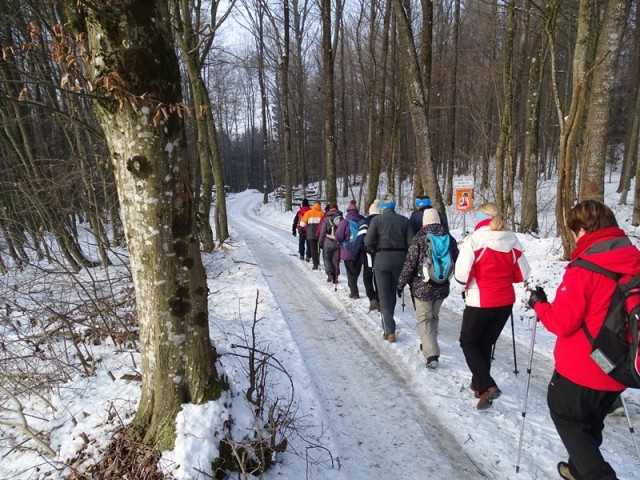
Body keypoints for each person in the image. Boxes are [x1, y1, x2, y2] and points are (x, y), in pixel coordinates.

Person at [528, 199, 640, 480]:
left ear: (581, 230)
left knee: (566, 416)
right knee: (591, 423)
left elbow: (563, 323)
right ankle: (578, 470)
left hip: (582, 369)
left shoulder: (585, 268)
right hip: (618, 366)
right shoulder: (634, 260)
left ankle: (594, 474)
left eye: (573, 230)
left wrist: (540, 305)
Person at [453, 202, 530, 410]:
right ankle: (479, 386)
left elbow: (461, 274)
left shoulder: (474, 240)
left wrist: (462, 287)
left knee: (468, 342)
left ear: (479, 218)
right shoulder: (512, 240)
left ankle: (488, 385)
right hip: (504, 302)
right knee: (485, 344)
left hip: (480, 300)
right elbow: (524, 273)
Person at [397, 208, 459, 368]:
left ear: (425, 221)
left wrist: (401, 283)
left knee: (424, 319)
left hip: (422, 285)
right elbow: (456, 257)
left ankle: (432, 354)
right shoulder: (449, 238)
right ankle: (427, 343)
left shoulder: (419, 238)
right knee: (434, 317)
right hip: (442, 284)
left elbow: (410, 263)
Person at [364, 194, 413, 342]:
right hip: (399, 260)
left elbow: (368, 240)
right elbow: (411, 242)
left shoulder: (377, 220)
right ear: (394, 205)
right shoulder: (404, 221)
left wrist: (374, 250)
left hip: (381, 259)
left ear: (383, 207)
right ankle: (389, 322)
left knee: (383, 294)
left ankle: (389, 330)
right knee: (392, 292)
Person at [335, 200, 365, 298]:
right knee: (356, 271)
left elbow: (339, 236)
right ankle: (354, 288)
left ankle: (354, 292)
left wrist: (341, 242)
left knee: (350, 272)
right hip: (360, 250)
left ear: (348, 211)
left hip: (348, 250)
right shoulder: (363, 221)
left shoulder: (345, 222)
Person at [362, 199, 381, 311]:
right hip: (381, 254)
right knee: (378, 278)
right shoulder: (384, 221)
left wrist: (360, 251)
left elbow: (361, 239)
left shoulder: (366, 222)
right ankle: (379, 299)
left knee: (367, 277)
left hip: (369, 255)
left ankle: (372, 298)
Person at [318, 202, 343, 283]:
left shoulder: (326, 218)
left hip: (328, 241)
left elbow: (322, 231)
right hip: (338, 242)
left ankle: (329, 274)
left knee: (327, 258)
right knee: (336, 260)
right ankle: (336, 277)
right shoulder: (341, 218)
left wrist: (320, 241)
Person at [299, 202, 325, 270]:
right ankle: (318, 260)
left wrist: (300, 229)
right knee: (318, 248)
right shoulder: (322, 213)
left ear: (313, 206)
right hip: (320, 235)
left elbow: (303, 223)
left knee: (313, 249)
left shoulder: (309, 213)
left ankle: (315, 264)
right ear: (320, 206)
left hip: (311, 234)